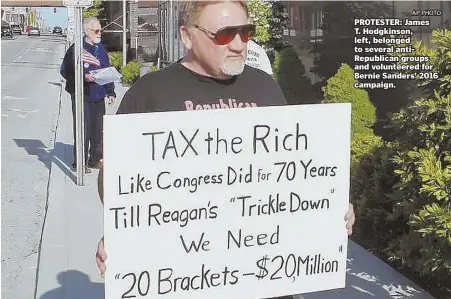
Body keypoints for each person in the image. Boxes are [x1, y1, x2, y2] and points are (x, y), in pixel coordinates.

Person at [95, 2, 356, 297]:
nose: (237, 45)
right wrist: (120, 232)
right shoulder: (148, 94)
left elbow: (288, 176)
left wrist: (328, 206)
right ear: (187, 36)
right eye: (224, 34)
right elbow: (119, 185)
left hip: (263, 276)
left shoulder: (265, 88)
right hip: (184, 279)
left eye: (245, 33)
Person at [60, 16, 116, 172]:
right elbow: (65, 71)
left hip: (98, 95)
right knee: (83, 129)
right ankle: (79, 162)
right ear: (87, 31)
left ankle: (95, 159)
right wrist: (83, 77)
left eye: (100, 30)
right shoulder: (76, 49)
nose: (99, 33)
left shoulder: (101, 50)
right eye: (96, 31)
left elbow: (106, 70)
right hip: (82, 96)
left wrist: (110, 91)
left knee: (98, 130)